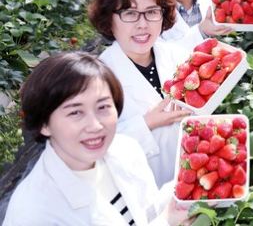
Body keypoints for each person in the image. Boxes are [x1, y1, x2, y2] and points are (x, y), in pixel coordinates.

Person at [3, 52, 193, 225]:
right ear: (44, 123)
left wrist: (177, 201)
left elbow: (148, 213)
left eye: (103, 107)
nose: (95, 125)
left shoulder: (126, 149)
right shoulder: (31, 213)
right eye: (75, 112)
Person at [88, 0, 190, 187]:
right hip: (142, 194)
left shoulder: (178, 56)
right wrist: (146, 123)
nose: (142, 24)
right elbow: (93, 151)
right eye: (130, 13)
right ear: (109, 19)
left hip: (191, 176)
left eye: (151, 11)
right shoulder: (95, 81)